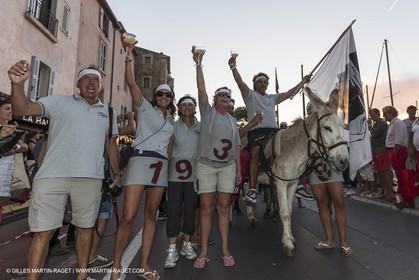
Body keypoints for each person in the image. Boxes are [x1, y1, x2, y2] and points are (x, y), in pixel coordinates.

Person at [8, 61, 121, 280]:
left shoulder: (108, 112)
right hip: (51, 176)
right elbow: (22, 109)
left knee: (85, 229)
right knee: (43, 233)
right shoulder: (59, 101)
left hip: (91, 178)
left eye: (96, 79)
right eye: (86, 78)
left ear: (100, 86)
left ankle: (81, 277)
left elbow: (111, 145)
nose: (91, 82)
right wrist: (17, 85)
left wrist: (117, 174)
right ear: (78, 84)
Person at [110, 38, 175, 280]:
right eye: (160, 93)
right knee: (128, 215)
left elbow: (171, 147)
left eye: (168, 94)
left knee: (151, 215)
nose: (163, 96)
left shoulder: (173, 123)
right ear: (155, 96)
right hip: (139, 161)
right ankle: (116, 265)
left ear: (172, 97)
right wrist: (128, 58)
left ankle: (144, 264)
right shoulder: (145, 108)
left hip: (160, 167)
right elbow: (131, 82)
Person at [228, 55, 311, 204]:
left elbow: (290, 93)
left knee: (294, 146)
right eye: (259, 81)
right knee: (255, 152)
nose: (262, 83)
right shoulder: (250, 95)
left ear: (267, 85)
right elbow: (239, 82)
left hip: (274, 131)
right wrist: (233, 67)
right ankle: (252, 189)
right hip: (257, 131)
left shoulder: (272, 98)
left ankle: (298, 185)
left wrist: (303, 81)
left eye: (265, 82)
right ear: (254, 85)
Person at [192, 46, 241, 269]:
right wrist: (199, 64)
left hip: (227, 167)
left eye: (228, 97)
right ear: (215, 99)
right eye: (221, 95)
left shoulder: (233, 122)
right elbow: (201, 90)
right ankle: (203, 251)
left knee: (223, 208)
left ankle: (225, 250)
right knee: (205, 208)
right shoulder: (208, 112)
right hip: (206, 166)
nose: (225, 99)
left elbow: (237, 147)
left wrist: (239, 169)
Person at [306, 99, 352, 257]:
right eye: (310, 110)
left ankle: (343, 241)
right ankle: (329, 239)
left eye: (315, 109)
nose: (313, 112)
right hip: (315, 167)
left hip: (332, 166)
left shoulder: (331, 123)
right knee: (321, 203)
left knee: (339, 201)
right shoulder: (307, 129)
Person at [164, 95, 200, 268]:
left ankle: (187, 243)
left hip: (194, 175)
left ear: (195, 108)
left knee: (191, 210)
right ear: (179, 108)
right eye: (183, 105)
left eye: (190, 105)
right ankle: (172, 249)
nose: (187, 107)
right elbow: (169, 151)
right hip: (175, 176)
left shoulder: (201, 126)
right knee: (173, 210)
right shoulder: (173, 125)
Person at [0, 97, 28, 223]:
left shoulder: (11, 129)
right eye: (7, 109)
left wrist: (14, 148)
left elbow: (25, 146)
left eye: (11, 109)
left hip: (4, 177)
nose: (11, 112)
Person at [382, 106, 414, 209]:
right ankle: (405, 199)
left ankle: (408, 200)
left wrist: (394, 154)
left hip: (397, 151)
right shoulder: (393, 124)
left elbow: (399, 140)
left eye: (385, 114)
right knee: (400, 178)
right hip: (394, 151)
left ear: (391, 113)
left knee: (402, 177)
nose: (384, 116)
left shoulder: (397, 123)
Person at [368, 108, 393, 202]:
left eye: (373, 115)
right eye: (371, 116)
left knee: (385, 173)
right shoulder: (376, 124)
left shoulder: (382, 123)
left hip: (382, 151)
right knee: (381, 173)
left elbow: (373, 134)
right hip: (376, 151)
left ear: (378, 114)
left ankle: (390, 194)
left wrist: (370, 125)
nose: (371, 117)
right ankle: (385, 192)